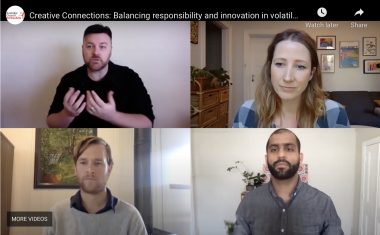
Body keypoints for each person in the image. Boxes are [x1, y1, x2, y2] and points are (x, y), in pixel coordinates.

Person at [233, 128, 344, 235]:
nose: (281, 155)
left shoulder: (324, 203)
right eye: (274, 149)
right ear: (266, 159)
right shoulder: (248, 202)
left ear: (300, 158)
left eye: (289, 149)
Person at [233, 29, 349, 128]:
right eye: (279, 64)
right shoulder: (246, 112)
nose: (288, 77)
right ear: (269, 68)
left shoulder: (334, 113)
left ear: (311, 74)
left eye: (300, 66)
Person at [47, 24, 155, 127]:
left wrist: (113, 116)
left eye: (102, 46)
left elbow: (147, 123)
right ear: (82, 48)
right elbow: (51, 122)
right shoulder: (69, 80)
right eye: (90, 46)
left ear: (110, 50)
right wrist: (67, 114)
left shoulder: (129, 78)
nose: (96, 52)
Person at [43, 136, 148, 235]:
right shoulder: (55, 215)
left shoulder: (131, 217)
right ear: (75, 168)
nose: (90, 170)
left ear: (110, 168)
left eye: (97, 163)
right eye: (83, 162)